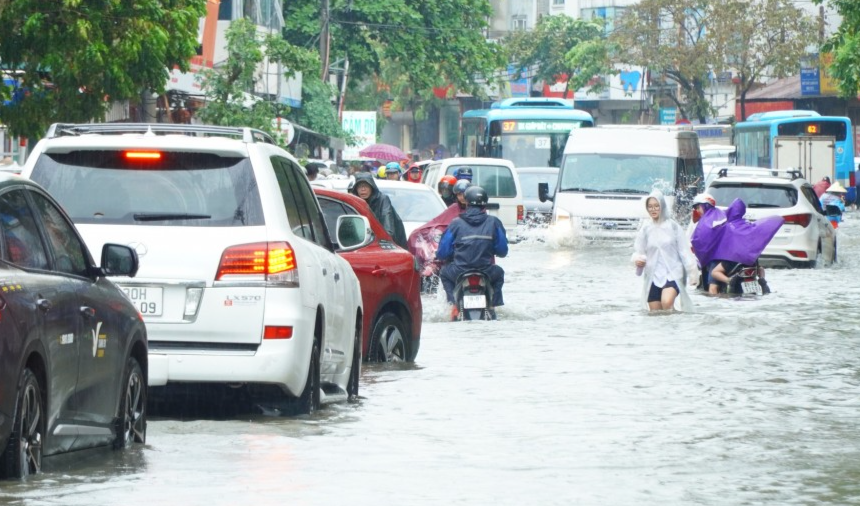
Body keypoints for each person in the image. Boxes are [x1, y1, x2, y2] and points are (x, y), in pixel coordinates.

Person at [436, 186, 508, 320]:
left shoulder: (455, 223)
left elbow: (442, 253)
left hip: (459, 271)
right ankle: (492, 305)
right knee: (499, 273)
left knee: (444, 273)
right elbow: (503, 251)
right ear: (484, 204)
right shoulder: (494, 222)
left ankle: (454, 305)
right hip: (486, 270)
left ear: (466, 203)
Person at [632, 190, 699, 312]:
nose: (653, 209)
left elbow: (684, 251)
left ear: (662, 206)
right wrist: (638, 260)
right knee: (655, 313)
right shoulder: (646, 229)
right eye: (650, 207)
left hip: (673, 273)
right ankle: (672, 328)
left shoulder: (673, 227)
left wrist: (693, 274)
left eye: (656, 206)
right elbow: (639, 251)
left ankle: (676, 328)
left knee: (666, 303)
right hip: (653, 275)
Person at [349, 172, 408, 248]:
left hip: (386, 243)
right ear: (356, 189)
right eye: (360, 186)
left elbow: (388, 226)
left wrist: (383, 243)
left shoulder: (382, 200)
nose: (363, 189)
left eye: (366, 186)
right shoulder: (354, 201)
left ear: (371, 187)